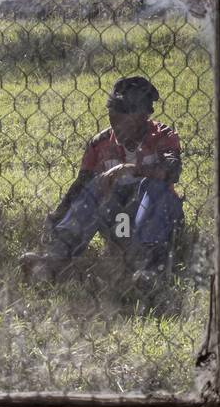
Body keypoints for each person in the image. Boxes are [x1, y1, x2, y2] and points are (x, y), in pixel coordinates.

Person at [21, 77, 184, 290]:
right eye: (112, 121)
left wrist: (130, 169)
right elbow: (80, 187)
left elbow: (173, 172)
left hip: (159, 221)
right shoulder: (100, 144)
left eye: (122, 122)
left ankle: (151, 269)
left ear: (142, 117)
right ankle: (56, 259)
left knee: (152, 187)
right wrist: (56, 218)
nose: (116, 129)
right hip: (118, 222)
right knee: (95, 184)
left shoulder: (163, 135)